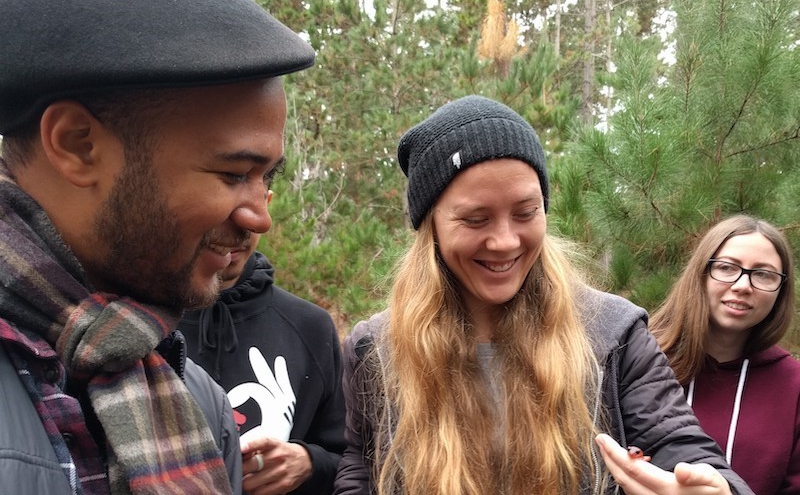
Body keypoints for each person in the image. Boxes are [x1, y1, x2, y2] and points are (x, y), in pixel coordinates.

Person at [332, 95, 753, 495]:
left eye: (526, 212)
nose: (505, 241)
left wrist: (716, 486)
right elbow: (361, 463)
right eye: (476, 219)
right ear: (431, 228)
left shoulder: (613, 335)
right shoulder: (377, 348)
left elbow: (677, 442)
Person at [0, 0, 315, 493]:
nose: (260, 216)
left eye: (266, 177)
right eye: (234, 173)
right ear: (78, 144)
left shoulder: (194, 399)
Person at [179, 228, 346, 495]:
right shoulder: (138, 321)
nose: (231, 232)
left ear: (265, 205)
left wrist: (309, 463)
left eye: (246, 214)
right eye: (221, 210)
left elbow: (353, 461)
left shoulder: (310, 325)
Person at [650, 215, 800, 495]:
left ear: (781, 291)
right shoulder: (642, 361)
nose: (743, 285)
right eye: (727, 267)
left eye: (763, 274)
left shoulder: (794, 385)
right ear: (701, 273)